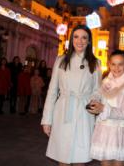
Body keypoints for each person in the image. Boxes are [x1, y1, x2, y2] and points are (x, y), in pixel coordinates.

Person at [41, 25, 101, 166]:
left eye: (84, 37)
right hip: (63, 111)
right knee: (63, 156)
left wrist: (93, 103)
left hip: (84, 113)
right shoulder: (61, 60)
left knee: (81, 157)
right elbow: (52, 90)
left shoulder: (95, 63)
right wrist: (47, 120)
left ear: (89, 41)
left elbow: (98, 90)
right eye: (76, 37)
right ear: (71, 39)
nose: (79, 41)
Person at [89, 50, 124, 166]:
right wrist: (94, 100)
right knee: (105, 163)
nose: (116, 68)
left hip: (120, 130)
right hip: (104, 129)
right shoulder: (106, 81)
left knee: (117, 163)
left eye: (120, 64)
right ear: (109, 64)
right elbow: (98, 93)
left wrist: (104, 109)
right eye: (113, 64)